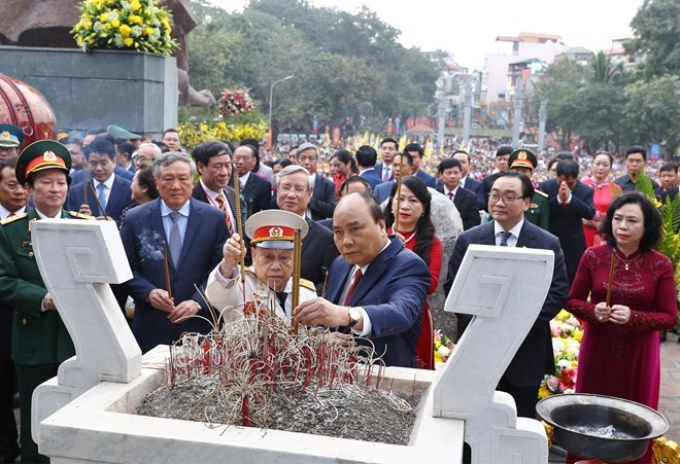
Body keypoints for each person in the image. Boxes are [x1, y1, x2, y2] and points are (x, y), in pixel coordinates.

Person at [444, 170, 569, 418]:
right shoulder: (470, 240)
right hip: (477, 346)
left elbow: (557, 293)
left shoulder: (547, 243)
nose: (499, 203)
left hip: (525, 348)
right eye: (495, 195)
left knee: (517, 420)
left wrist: (515, 323)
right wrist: (483, 323)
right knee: (472, 418)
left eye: (509, 197)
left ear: (526, 202)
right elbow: (453, 287)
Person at [0, 140, 94, 463]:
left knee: (77, 419)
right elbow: (3, 281)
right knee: (35, 425)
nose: (55, 189)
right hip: (33, 341)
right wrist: (43, 299)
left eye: (61, 182)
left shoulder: (86, 228)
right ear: (29, 187)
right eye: (45, 182)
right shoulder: (9, 232)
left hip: (78, 342)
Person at [566, 192, 677, 464]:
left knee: (634, 418)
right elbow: (572, 300)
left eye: (632, 221)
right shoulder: (593, 256)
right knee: (589, 413)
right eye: (617, 219)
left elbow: (669, 317)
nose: (623, 227)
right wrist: (594, 311)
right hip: (598, 347)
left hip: (639, 353)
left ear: (647, 226)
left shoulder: (660, 264)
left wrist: (634, 317)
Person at [293, 190, 431, 368]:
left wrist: (346, 315)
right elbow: (329, 317)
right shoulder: (341, 264)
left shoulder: (409, 265)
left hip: (383, 384)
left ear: (381, 226)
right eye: (338, 232)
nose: (346, 241)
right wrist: (324, 338)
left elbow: (400, 313)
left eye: (355, 229)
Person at [120, 152, 229, 353]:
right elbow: (123, 267)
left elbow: (220, 270)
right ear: (156, 182)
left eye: (182, 178)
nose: (176, 185)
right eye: (168, 179)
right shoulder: (136, 218)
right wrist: (148, 292)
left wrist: (198, 302)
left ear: (193, 180)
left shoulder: (214, 219)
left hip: (197, 326)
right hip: (151, 324)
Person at [206, 210, 317, 321]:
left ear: (296, 256)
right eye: (268, 257)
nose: (276, 266)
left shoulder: (306, 292)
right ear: (254, 255)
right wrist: (228, 265)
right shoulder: (240, 284)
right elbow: (216, 296)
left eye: (284, 258)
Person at [384, 176, 442, 369]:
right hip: (377, 310)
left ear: (424, 207)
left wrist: (403, 254)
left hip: (415, 315)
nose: (405, 206)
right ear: (391, 202)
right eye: (399, 199)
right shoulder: (377, 234)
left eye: (413, 200)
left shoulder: (432, 243)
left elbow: (430, 284)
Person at [274, 165, 338, 293]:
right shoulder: (260, 230)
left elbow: (328, 284)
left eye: (299, 189)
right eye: (286, 188)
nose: (291, 195)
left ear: (309, 194)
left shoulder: (325, 238)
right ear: (277, 191)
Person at [0, 156, 27, 464]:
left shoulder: (41, 221)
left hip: (35, 319)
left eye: (23, 185)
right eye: (11, 184)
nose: (19, 191)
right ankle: (7, 450)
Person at [540, 159, 595, 285]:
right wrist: (559, 199)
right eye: (560, 182)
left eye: (570, 183)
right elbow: (543, 210)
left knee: (571, 280)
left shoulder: (586, 190)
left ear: (576, 178)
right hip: (550, 238)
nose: (564, 186)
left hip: (573, 244)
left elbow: (589, 213)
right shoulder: (547, 186)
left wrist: (570, 199)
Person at [66, 137, 134, 226]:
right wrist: (80, 219)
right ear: (87, 163)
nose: (98, 168)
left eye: (103, 163)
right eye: (93, 163)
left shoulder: (129, 188)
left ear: (114, 161)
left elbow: (133, 223)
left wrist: (113, 224)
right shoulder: (76, 192)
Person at [190, 141, 238, 236]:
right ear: (201, 167)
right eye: (218, 166)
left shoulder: (232, 194)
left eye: (228, 165)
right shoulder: (190, 199)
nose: (224, 172)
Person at [582, 151, 622, 247]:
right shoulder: (582, 185)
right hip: (582, 232)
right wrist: (594, 223)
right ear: (592, 165)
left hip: (605, 234)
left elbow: (619, 213)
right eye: (597, 164)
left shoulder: (616, 189)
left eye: (605, 165)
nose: (600, 168)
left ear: (610, 167)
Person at [507, 148, 550, 231]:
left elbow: (544, 231)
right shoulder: (501, 197)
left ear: (531, 174)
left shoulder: (540, 200)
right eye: (516, 170)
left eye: (524, 171)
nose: (520, 174)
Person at [295, 142, 337, 221]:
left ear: (317, 161)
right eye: (303, 158)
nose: (306, 162)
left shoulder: (327, 184)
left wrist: (309, 200)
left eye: (311, 158)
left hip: (317, 228)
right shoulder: (287, 181)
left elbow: (332, 210)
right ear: (297, 161)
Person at [436, 158, 481, 231]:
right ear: (441, 174)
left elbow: (475, 221)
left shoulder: (470, 197)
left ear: (461, 174)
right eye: (448, 173)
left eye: (456, 173)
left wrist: (454, 227)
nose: (453, 176)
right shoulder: (434, 195)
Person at [232, 144, 271, 218]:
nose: (240, 162)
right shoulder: (224, 181)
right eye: (237, 158)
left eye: (245, 158)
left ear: (254, 161)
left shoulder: (263, 185)